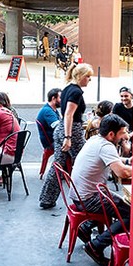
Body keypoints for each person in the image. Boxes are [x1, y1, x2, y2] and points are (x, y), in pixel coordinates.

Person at [67, 114, 133, 266]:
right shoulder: (106, 146)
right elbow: (121, 172)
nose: (125, 135)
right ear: (111, 134)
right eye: (122, 132)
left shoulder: (95, 139)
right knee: (131, 213)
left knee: (118, 202)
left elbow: (113, 160)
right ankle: (96, 245)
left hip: (78, 195)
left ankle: (85, 227)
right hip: (88, 200)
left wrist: (128, 161)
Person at [38, 63, 94, 209]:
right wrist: (68, 138)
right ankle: (85, 198)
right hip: (71, 131)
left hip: (62, 129)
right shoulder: (76, 92)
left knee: (58, 165)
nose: (89, 79)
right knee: (84, 163)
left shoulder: (68, 88)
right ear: (81, 76)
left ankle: (47, 199)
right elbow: (69, 114)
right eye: (88, 76)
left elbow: (65, 114)